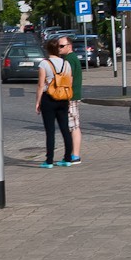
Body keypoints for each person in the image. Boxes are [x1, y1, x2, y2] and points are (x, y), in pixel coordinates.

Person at [35, 37, 73, 168]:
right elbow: (69, 82)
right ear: (58, 49)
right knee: (65, 129)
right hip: (63, 99)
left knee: (50, 130)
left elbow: (40, 85)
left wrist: (38, 102)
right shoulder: (66, 64)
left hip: (48, 98)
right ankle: (67, 158)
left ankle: (49, 160)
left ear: (47, 49)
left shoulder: (44, 64)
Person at [58, 35, 83, 164]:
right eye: (58, 46)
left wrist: (64, 96)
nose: (59, 48)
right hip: (73, 95)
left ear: (69, 46)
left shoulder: (69, 59)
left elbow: (69, 79)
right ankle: (74, 155)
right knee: (74, 125)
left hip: (70, 96)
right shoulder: (71, 58)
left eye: (62, 46)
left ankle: (74, 156)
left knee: (73, 126)